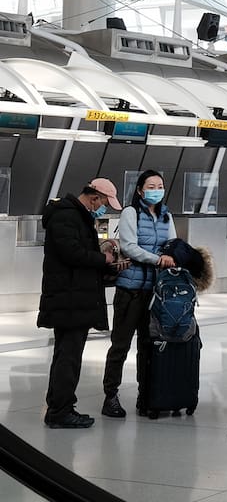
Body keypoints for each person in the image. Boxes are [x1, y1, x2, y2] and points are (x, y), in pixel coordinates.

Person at [38, 178, 123, 429]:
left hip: (72, 298)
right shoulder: (66, 216)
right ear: (94, 197)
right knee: (69, 357)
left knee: (66, 355)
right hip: (69, 299)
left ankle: (60, 406)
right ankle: (60, 412)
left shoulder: (74, 215)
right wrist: (102, 258)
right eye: (104, 203)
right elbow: (71, 253)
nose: (103, 209)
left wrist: (102, 255)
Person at [101, 169, 177, 419]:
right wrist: (158, 259)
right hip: (130, 291)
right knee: (120, 345)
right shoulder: (130, 213)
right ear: (140, 191)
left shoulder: (166, 215)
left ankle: (147, 396)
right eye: (151, 187)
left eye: (160, 186)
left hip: (155, 292)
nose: (156, 190)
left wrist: (173, 256)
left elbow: (172, 244)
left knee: (149, 345)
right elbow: (129, 247)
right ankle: (110, 396)